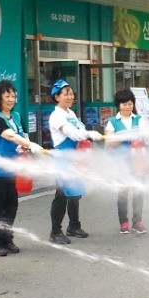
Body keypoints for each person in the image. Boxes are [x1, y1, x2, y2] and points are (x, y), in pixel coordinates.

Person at [0, 80, 43, 256]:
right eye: (7, 96)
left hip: (13, 170)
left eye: (13, 96)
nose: (11, 99)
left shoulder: (16, 116)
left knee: (11, 207)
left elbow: (23, 134)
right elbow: (9, 135)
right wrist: (28, 144)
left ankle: (7, 239)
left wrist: (26, 145)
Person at [48, 79, 103, 244]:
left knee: (75, 194)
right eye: (66, 94)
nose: (70, 96)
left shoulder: (70, 113)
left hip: (76, 159)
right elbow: (72, 133)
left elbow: (79, 129)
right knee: (62, 195)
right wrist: (87, 134)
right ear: (56, 97)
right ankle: (55, 231)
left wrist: (87, 134)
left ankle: (74, 226)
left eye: (71, 93)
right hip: (64, 160)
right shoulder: (56, 115)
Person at [105, 89, 147, 235]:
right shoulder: (112, 122)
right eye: (124, 104)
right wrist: (128, 136)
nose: (127, 107)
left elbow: (143, 134)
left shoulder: (139, 119)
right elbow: (109, 142)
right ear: (118, 106)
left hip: (138, 160)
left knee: (138, 191)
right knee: (123, 192)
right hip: (121, 163)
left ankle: (137, 221)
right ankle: (123, 222)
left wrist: (121, 137)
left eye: (130, 104)